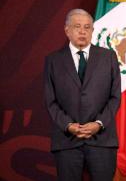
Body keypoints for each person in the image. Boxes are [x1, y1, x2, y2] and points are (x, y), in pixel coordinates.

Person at [44, 9, 121, 181]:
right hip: (66, 141)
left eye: (87, 27)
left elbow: (115, 97)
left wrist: (99, 123)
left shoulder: (108, 57)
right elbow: (50, 101)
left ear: (93, 30)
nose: (82, 31)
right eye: (77, 26)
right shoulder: (53, 61)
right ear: (67, 30)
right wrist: (68, 125)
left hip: (102, 140)